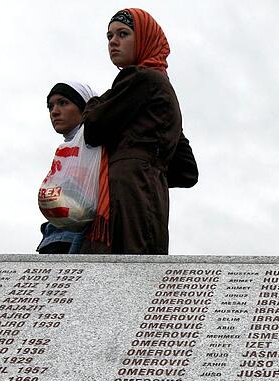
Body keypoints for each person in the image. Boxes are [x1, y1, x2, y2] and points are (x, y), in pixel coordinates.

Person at [79, 8, 197, 255]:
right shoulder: (162, 91)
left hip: (126, 190)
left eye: (123, 34)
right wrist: (153, 168)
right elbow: (187, 171)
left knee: (123, 271)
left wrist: (92, 104)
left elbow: (92, 128)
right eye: (109, 36)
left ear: (144, 38)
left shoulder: (140, 78)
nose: (113, 42)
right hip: (151, 191)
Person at [37, 81, 97, 254]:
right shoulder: (66, 149)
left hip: (80, 239)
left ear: (84, 107)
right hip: (53, 236)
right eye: (50, 106)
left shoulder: (96, 147)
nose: (54, 111)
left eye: (63, 103)